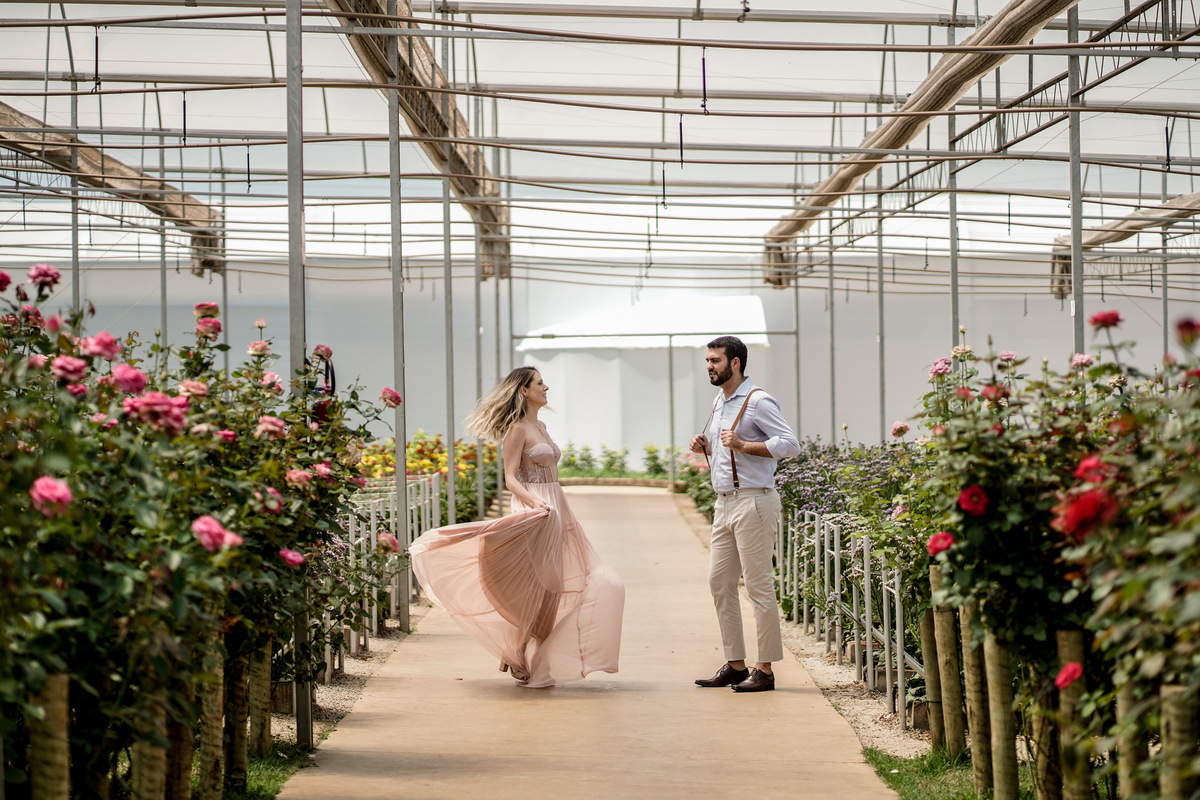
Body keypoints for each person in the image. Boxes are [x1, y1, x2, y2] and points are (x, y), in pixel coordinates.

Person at [408, 366, 625, 688]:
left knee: (556, 583)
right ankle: (521, 651)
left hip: (557, 509)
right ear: (524, 390)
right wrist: (535, 503)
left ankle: (525, 651)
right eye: (540, 383)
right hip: (534, 508)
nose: (546, 387)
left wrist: (550, 505)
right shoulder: (517, 430)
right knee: (536, 584)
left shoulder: (543, 426)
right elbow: (511, 479)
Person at [690, 336, 800, 693]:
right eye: (708, 360)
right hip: (724, 503)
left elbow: (789, 444)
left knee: (758, 587)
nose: (710, 366)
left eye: (716, 360)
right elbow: (724, 449)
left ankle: (764, 670)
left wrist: (743, 444)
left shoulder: (758, 401)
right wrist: (706, 446)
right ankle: (735, 664)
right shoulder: (719, 401)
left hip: (753, 501)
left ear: (735, 363)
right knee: (719, 582)